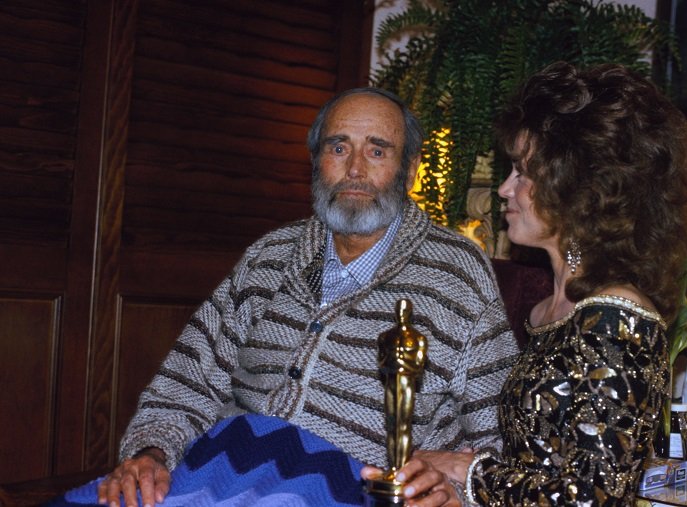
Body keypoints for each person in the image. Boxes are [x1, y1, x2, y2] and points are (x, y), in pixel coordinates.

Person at [96, 87, 519, 507]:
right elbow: (186, 383)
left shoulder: (458, 273)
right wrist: (149, 456)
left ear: (409, 171)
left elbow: (502, 441)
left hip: (351, 493)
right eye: (339, 148)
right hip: (218, 476)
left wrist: (460, 493)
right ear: (317, 161)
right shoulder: (270, 255)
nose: (354, 169)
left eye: (376, 152)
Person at [363, 62, 687, 505]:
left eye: (522, 172)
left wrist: (469, 472)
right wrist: (453, 488)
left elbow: (593, 496)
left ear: (576, 185)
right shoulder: (549, 309)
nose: (504, 189)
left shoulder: (617, 321)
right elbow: (539, 465)